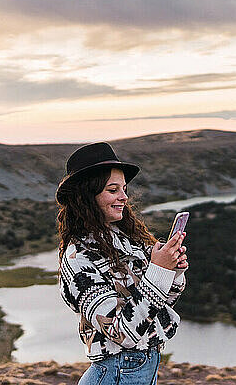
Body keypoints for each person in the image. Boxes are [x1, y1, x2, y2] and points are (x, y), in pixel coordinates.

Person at [56, 142, 188, 385]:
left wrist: (173, 271)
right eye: (113, 189)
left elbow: (161, 304)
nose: (124, 197)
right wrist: (158, 271)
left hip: (138, 368)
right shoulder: (78, 257)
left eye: (124, 189)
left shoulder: (126, 238)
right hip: (118, 372)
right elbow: (122, 333)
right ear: (88, 195)